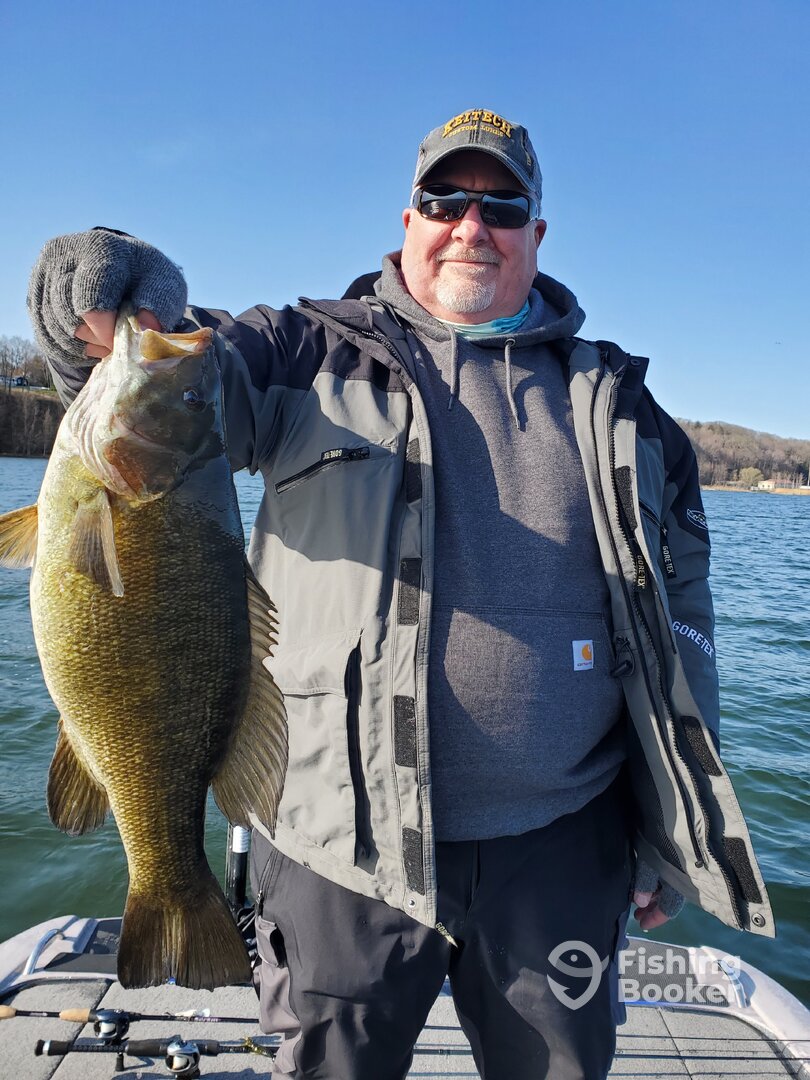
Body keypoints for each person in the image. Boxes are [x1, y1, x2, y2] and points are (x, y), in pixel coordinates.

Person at [29, 108, 773, 1080]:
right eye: (445, 198)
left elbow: (681, 621)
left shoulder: (624, 409)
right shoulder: (302, 352)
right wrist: (117, 305)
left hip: (561, 848)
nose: (472, 224)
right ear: (408, 220)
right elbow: (175, 374)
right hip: (339, 848)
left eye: (502, 206)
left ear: (538, 233)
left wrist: (674, 825)